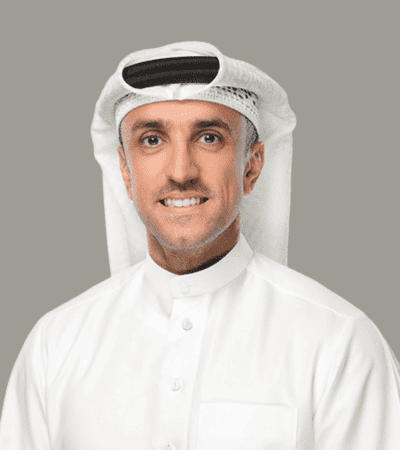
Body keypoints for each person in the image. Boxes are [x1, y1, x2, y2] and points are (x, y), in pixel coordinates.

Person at [0, 41, 399, 449]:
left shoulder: (338, 342)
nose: (181, 172)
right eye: (152, 140)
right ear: (126, 170)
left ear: (252, 166)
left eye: (209, 138)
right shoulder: (55, 345)